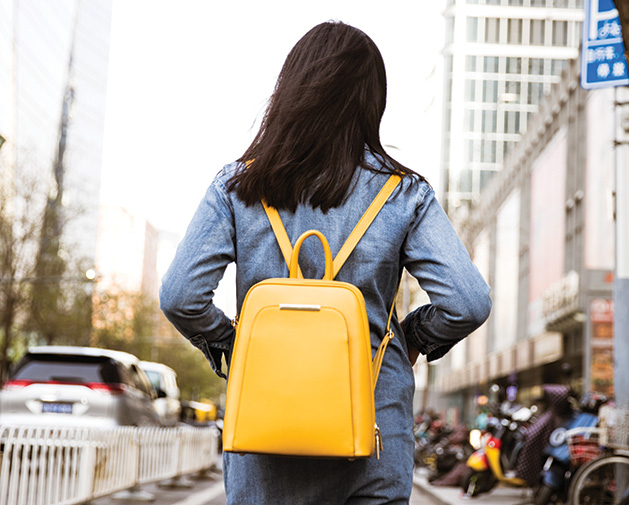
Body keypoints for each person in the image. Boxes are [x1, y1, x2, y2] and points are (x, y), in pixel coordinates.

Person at [160, 21, 491, 505]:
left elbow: (180, 296)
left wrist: (235, 345)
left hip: (266, 430)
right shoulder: (404, 194)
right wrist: (408, 341)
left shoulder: (236, 187)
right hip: (374, 424)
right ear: (371, 101)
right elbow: (468, 301)